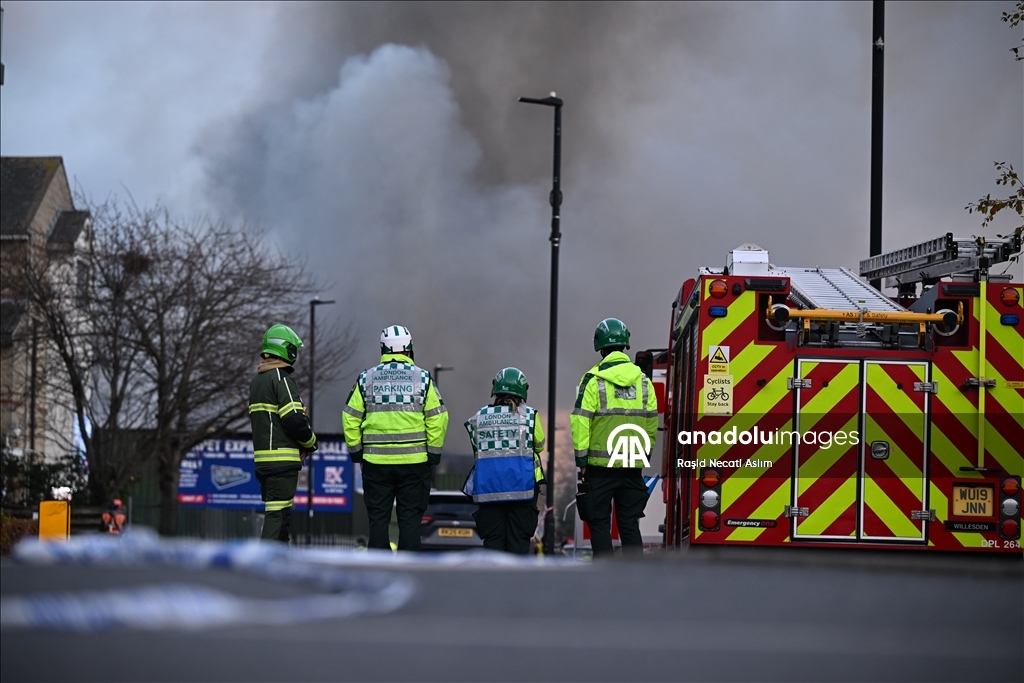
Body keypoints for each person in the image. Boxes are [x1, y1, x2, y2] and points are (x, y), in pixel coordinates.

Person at [343, 325, 448, 551]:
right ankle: (409, 569)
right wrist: (433, 455)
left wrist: (357, 453)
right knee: (410, 522)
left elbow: (350, 417)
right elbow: (438, 418)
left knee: (378, 521)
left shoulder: (366, 379)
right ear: (409, 349)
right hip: (415, 463)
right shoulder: (423, 378)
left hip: (375, 463)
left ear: (383, 348)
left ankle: (379, 570)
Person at [570, 318, 658, 558]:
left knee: (599, 522)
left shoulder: (592, 379)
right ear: (625, 345)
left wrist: (581, 461)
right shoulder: (643, 381)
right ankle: (634, 576)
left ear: (600, 346)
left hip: (600, 467)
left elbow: (580, 421)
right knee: (629, 523)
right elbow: (652, 421)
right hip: (632, 466)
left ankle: (604, 575)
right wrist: (644, 453)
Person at [463, 368, 546, 555]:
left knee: (493, 546)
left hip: (489, 491)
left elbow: (477, 447)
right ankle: (516, 583)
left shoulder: (480, 416)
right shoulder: (530, 416)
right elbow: (539, 445)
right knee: (518, 544)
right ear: (523, 391)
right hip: (522, 491)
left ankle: (494, 583)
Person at [249, 323, 317, 542]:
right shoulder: (281, 379)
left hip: (264, 462)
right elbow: (294, 420)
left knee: (279, 515)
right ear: (286, 349)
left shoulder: (257, 381)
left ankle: (277, 562)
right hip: (282, 462)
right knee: (277, 517)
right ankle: (265, 565)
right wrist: (311, 443)